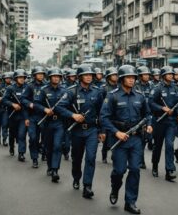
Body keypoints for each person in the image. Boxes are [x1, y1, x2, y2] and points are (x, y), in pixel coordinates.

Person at [100, 65, 152, 214]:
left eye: (133, 77)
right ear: (122, 79)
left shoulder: (140, 96)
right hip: (120, 139)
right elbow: (104, 118)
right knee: (119, 170)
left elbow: (147, 114)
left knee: (135, 169)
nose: (131, 80)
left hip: (136, 139)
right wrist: (116, 132)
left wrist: (149, 125)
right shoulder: (113, 96)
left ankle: (130, 202)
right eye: (128, 77)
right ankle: (115, 188)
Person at [62, 64, 104, 198]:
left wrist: (102, 131)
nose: (89, 77)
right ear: (80, 77)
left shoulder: (98, 92)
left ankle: (87, 186)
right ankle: (76, 177)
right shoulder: (71, 91)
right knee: (77, 158)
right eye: (86, 75)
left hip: (92, 130)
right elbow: (60, 107)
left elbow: (102, 113)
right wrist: (72, 115)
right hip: (76, 130)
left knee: (91, 158)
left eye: (91, 75)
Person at [33, 68, 71, 183]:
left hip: (59, 122)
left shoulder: (65, 91)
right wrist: (44, 109)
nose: (56, 78)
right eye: (54, 76)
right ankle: (50, 166)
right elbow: (36, 104)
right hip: (47, 122)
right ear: (49, 78)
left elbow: (68, 105)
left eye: (58, 76)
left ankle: (55, 170)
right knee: (48, 147)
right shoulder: (43, 90)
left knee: (57, 146)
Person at [149, 66, 178, 181]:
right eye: (168, 74)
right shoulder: (157, 88)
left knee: (169, 145)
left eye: (172, 74)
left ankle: (169, 170)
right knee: (157, 146)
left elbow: (177, 104)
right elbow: (151, 103)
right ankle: (155, 166)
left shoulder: (176, 87)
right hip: (159, 121)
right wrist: (162, 108)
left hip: (171, 122)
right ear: (163, 75)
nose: (171, 75)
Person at [21, 66, 47, 168]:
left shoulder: (47, 85)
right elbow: (23, 99)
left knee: (45, 138)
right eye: (38, 74)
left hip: (44, 116)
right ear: (34, 75)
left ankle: (44, 152)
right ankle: (34, 158)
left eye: (42, 74)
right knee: (33, 138)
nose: (40, 75)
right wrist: (29, 104)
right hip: (32, 116)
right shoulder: (30, 86)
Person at [2, 69, 28, 159]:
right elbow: (4, 100)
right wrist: (13, 104)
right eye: (19, 77)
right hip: (12, 115)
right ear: (16, 78)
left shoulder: (27, 88)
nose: (22, 79)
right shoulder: (10, 88)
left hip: (23, 115)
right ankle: (11, 147)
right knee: (12, 134)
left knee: (22, 134)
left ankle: (21, 153)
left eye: (23, 77)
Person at [101, 67, 119, 164]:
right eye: (113, 75)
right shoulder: (104, 88)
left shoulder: (119, 87)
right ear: (108, 77)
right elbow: (101, 104)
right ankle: (104, 153)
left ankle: (114, 154)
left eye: (116, 75)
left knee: (115, 136)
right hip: (107, 115)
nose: (115, 77)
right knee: (106, 136)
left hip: (117, 116)